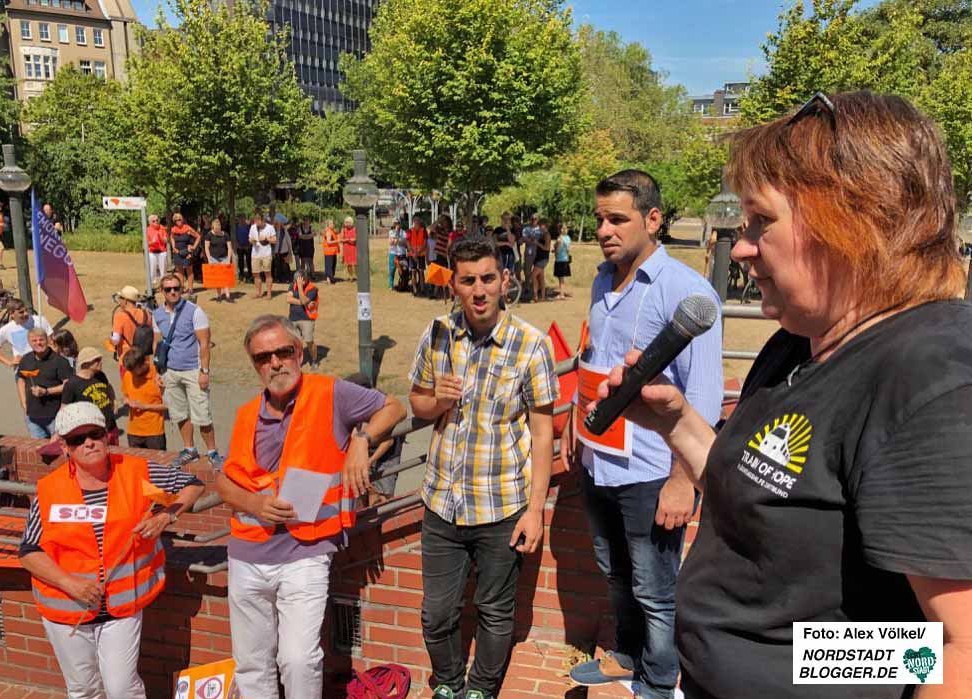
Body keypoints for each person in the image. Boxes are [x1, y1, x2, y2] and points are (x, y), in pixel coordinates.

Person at [592, 92, 972, 699]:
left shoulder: (931, 377)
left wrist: (779, 660)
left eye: (761, 223)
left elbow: (956, 651)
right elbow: (758, 488)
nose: (741, 248)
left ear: (854, 222)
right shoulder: (799, 343)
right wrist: (679, 422)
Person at [563, 169, 722, 699]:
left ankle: (658, 680)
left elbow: (700, 397)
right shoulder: (601, 281)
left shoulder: (687, 293)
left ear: (653, 219)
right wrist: (574, 427)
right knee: (615, 572)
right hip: (600, 463)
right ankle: (627, 657)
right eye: (600, 218)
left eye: (618, 219)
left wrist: (683, 483)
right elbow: (596, 361)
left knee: (655, 588)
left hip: (653, 470)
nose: (605, 230)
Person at [216, 314, 405, 699]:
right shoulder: (245, 415)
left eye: (283, 352)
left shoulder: (331, 393)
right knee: (252, 664)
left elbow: (394, 408)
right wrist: (254, 502)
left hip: (306, 552)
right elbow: (224, 480)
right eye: (263, 357)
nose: (275, 363)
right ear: (254, 365)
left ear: (299, 352)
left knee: (299, 659)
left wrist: (361, 441)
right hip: (247, 554)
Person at [408, 237, 559, 699]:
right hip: (442, 503)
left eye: (487, 279)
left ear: (504, 281)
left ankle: (482, 690)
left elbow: (543, 433)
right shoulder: (436, 333)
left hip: (501, 506)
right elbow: (416, 402)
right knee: (437, 613)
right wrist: (438, 400)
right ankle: (449, 684)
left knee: (494, 610)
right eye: (468, 280)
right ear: (453, 285)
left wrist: (535, 511)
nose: (479, 290)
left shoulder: (530, 345)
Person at [19, 402, 203, 699]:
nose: (89, 443)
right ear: (64, 447)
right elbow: (29, 550)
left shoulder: (135, 473)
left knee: (121, 688)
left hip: (122, 605)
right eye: (78, 439)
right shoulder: (49, 490)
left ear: (108, 436)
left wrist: (166, 515)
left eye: (95, 433)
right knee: (83, 689)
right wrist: (71, 584)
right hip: (67, 608)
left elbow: (192, 484)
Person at [152, 273, 222, 467]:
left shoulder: (194, 311)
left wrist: (204, 372)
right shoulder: (156, 314)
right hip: (170, 371)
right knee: (179, 414)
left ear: (182, 289)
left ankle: (212, 452)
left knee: (202, 415)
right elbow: (157, 344)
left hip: (193, 370)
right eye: (169, 289)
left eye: (177, 288)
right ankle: (189, 449)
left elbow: (204, 343)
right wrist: (158, 371)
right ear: (162, 292)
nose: (173, 292)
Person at [346, 372, 403, 506]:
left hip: (387, 455)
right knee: (363, 492)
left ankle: (383, 521)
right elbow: (354, 430)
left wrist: (370, 460)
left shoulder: (382, 407)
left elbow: (388, 442)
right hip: (368, 450)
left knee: (382, 497)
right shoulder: (357, 405)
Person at [16, 328, 73, 439]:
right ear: (29, 343)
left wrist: (46, 391)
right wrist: (24, 403)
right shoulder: (26, 359)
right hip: (32, 417)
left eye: (41, 339)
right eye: (34, 341)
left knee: (59, 448)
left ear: (47, 340)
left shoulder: (60, 361)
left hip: (55, 416)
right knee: (39, 450)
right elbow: (21, 380)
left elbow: (69, 385)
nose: (38, 343)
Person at [62, 347, 118, 444]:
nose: (101, 362)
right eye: (97, 360)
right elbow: (64, 410)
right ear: (86, 363)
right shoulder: (72, 384)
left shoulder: (100, 375)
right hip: (94, 434)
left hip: (111, 427)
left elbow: (109, 388)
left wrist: (114, 402)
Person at [120, 347, 167, 451]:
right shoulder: (129, 375)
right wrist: (126, 401)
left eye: (134, 370)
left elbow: (167, 405)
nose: (132, 373)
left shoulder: (158, 376)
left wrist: (144, 406)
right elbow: (125, 395)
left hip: (154, 432)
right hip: (133, 432)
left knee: (158, 464)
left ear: (143, 364)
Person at [0, 299, 53, 367]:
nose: (26, 313)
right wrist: (9, 362)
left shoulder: (39, 320)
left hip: (45, 365)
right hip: (23, 369)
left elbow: (51, 342)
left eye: (26, 310)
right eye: (21, 312)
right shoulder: (6, 329)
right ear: (12, 314)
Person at [110, 285, 152, 369]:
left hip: (127, 361)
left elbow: (115, 341)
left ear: (125, 300)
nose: (119, 301)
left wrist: (110, 339)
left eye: (120, 298)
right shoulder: (146, 314)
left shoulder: (120, 316)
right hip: (144, 360)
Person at [287, 270, 319, 369]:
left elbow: (304, 299)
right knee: (294, 342)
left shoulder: (313, 288)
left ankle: (314, 360)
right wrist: (303, 302)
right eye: (296, 281)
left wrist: (300, 287)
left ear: (305, 279)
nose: (296, 283)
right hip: (293, 318)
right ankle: (296, 361)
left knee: (309, 341)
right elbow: (289, 299)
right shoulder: (292, 285)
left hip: (307, 319)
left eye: (299, 281)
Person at [205, 217, 236, 303]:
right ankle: (219, 296)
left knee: (226, 278)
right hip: (213, 258)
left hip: (224, 258)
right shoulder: (209, 235)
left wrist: (229, 259)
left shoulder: (225, 235)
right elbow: (206, 248)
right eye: (215, 229)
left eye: (218, 228)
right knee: (218, 279)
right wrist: (209, 259)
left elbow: (229, 248)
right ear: (213, 227)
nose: (217, 230)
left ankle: (228, 296)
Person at [169, 213, 200, 295]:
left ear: (182, 219)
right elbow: (171, 237)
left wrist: (193, 247)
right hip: (177, 252)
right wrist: (173, 246)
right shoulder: (173, 229)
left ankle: (190, 289)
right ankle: (182, 288)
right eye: (176, 220)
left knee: (189, 270)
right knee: (180, 271)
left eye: (179, 219)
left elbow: (198, 237)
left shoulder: (187, 228)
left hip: (187, 251)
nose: (178, 221)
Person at [249, 213, 276, 299]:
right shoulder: (253, 227)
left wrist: (266, 239)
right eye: (255, 221)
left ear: (263, 220)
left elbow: (274, 240)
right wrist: (252, 241)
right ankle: (258, 293)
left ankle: (268, 293)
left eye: (258, 221)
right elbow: (249, 238)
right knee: (256, 274)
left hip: (266, 254)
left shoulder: (270, 227)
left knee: (267, 273)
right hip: (255, 254)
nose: (257, 223)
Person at [146, 214, 169, 287]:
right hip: (152, 252)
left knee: (163, 271)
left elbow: (166, 241)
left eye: (157, 220)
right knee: (152, 270)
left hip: (162, 252)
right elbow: (146, 243)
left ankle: (164, 286)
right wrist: (152, 242)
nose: (156, 222)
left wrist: (161, 237)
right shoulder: (147, 229)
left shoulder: (162, 228)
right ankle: (151, 287)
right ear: (150, 222)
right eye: (153, 221)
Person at [407, 215, 428, 295]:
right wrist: (413, 254)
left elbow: (425, 243)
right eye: (415, 220)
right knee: (413, 272)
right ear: (413, 222)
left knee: (421, 272)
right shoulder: (409, 231)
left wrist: (418, 253)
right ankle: (414, 289)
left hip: (421, 254)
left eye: (418, 220)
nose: (416, 222)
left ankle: (422, 289)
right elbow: (408, 243)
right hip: (412, 255)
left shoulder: (424, 231)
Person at [532, 218, 551, 302]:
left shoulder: (547, 235)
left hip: (543, 258)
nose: (539, 227)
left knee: (533, 275)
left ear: (544, 225)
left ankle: (535, 296)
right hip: (539, 257)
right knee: (541, 277)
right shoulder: (542, 234)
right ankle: (542, 296)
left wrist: (537, 243)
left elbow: (547, 248)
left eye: (540, 225)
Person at [520, 214, 540, 297]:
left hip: (538, 252)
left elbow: (541, 239)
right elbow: (524, 239)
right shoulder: (526, 229)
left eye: (535, 219)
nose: (533, 220)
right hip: (528, 252)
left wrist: (531, 239)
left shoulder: (540, 229)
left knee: (538, 271)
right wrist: (533, 240)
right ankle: (527, 287)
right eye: (532, 219)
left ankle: (538, 288)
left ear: (537, 220)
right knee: (527, 270)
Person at [553, 222, 572, 299]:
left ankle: (561, 294)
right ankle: (562, 292)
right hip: (565, 259)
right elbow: (568, 249)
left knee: (560, 278)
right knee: (562, 278)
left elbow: (557, 250)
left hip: (559, 260)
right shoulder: (568, 238)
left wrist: (554, 252)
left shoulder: (559, 238)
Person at [273, 216, 293, 284]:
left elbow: (288, 240)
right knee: (278, 265)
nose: (277, 224)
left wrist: (290, 251)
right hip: (276, 250)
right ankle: (279, 278)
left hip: (284, 250)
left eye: (278, 222)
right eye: (276, 223)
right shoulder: (274, 230)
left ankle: (287, 278)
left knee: (285, 265)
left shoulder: (284, 230)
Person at [235, 213, 252, 283]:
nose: (242, 219)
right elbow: (235, 237)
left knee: (248, 261)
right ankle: (241, 274)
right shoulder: (236, 227)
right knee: (240, 261)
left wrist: (248, 245)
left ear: (245, 218)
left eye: (243, 218)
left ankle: (250, 274)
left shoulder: (248, 226)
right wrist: (238, 245)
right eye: (240, 218)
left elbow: (251, 236)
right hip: (240, 247)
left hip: (247, 246)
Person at [387, 219, 404, 290]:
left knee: (402, 271)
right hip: (393, 253)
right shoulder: (391, 232)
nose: (397, 225)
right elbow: (391, 243)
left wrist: (396, 240)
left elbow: (404, 243)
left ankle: (402, 284)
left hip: (401, 254)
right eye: (395, 223)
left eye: (398, 223)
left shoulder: (403, 232)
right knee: (392, 270)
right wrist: (397, 236)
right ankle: (391, 285)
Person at [322, 219, 340, 285]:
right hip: (329, 251)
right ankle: (329, 279)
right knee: (329, 266)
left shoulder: (332, 231)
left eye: (333, 223)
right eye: (331, 223)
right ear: (328, 225)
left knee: (331, 265)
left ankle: (329, 279)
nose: (333, 225)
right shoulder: (328, 232)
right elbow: (329, 242)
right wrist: (337, 241)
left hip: (332, 251)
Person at [341, 216, 357, 281]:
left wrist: (347, 239)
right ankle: (351, 277)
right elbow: (341, 239)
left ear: (351, 223)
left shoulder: (355, 229)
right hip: (346, 249)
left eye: (348, 222)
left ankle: (358, 276)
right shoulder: (343, 230)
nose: (346, 224)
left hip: (354, 248)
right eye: (346, 222)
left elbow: (356, 239)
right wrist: (349, 240)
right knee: (348, 264)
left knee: (356, 264)